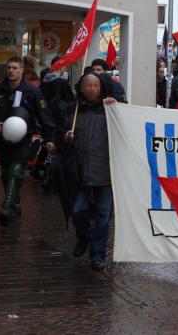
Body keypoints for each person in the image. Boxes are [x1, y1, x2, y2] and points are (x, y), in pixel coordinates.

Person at [0, 56, 58, 226]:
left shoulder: (33, 92)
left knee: (16, 170)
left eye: (15, 68)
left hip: (24, 139)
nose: (11, 71)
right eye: (9, 67)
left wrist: (50, 138)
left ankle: (7, 207)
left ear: (22, 70)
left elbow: (45, 117)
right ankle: (14, 204)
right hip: (2, 139)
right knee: (6, 172)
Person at [59, 73, 117, 271]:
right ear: (81, 88)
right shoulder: (71, 110)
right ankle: (85, 237)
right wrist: (64, 138)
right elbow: (58, 134)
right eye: (88, 85)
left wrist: (118, 104)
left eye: (95, 86)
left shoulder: (110, 109)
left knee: (103, 215)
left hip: (105, 171)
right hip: (80, 170)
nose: (92, 89)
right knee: (77, 210)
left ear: (100, 88)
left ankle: (97, 254)